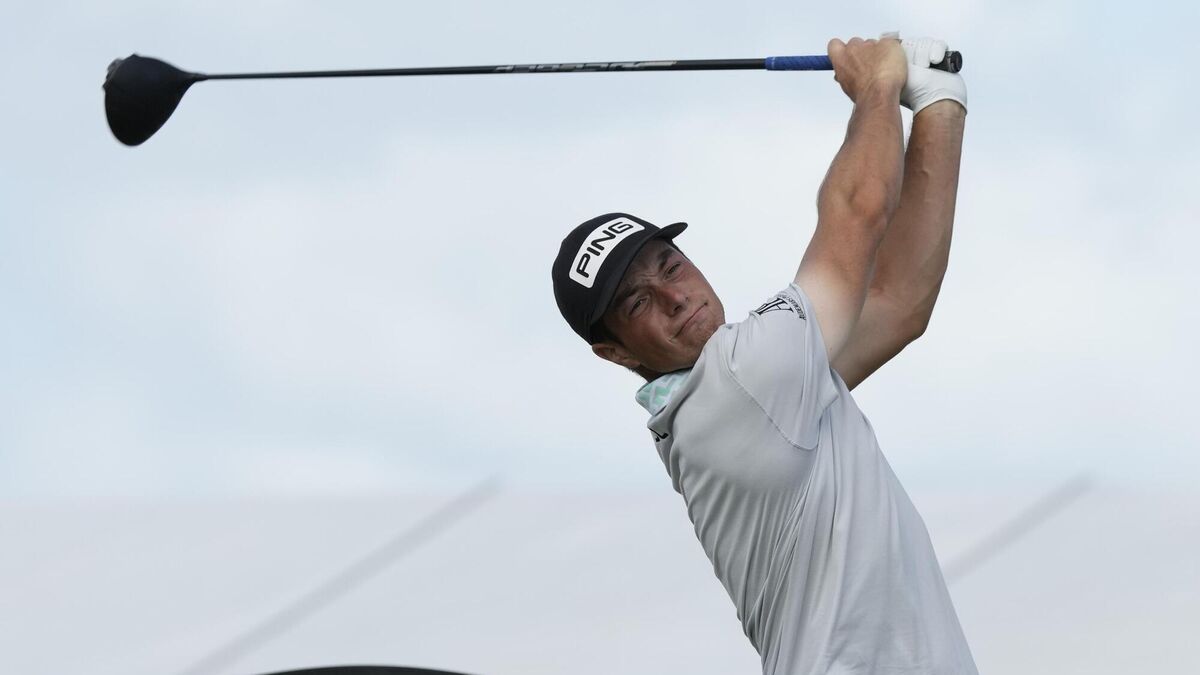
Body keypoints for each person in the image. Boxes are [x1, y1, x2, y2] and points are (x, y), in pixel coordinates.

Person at [550, 34, 973, 674]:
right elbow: (858, 212)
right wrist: (877, 86)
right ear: (613, 352)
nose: (673, 297)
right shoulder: (740, 383)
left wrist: (939, 101)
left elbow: (898, 303)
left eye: (670, 266)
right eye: (637, 303)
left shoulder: (760, 390)